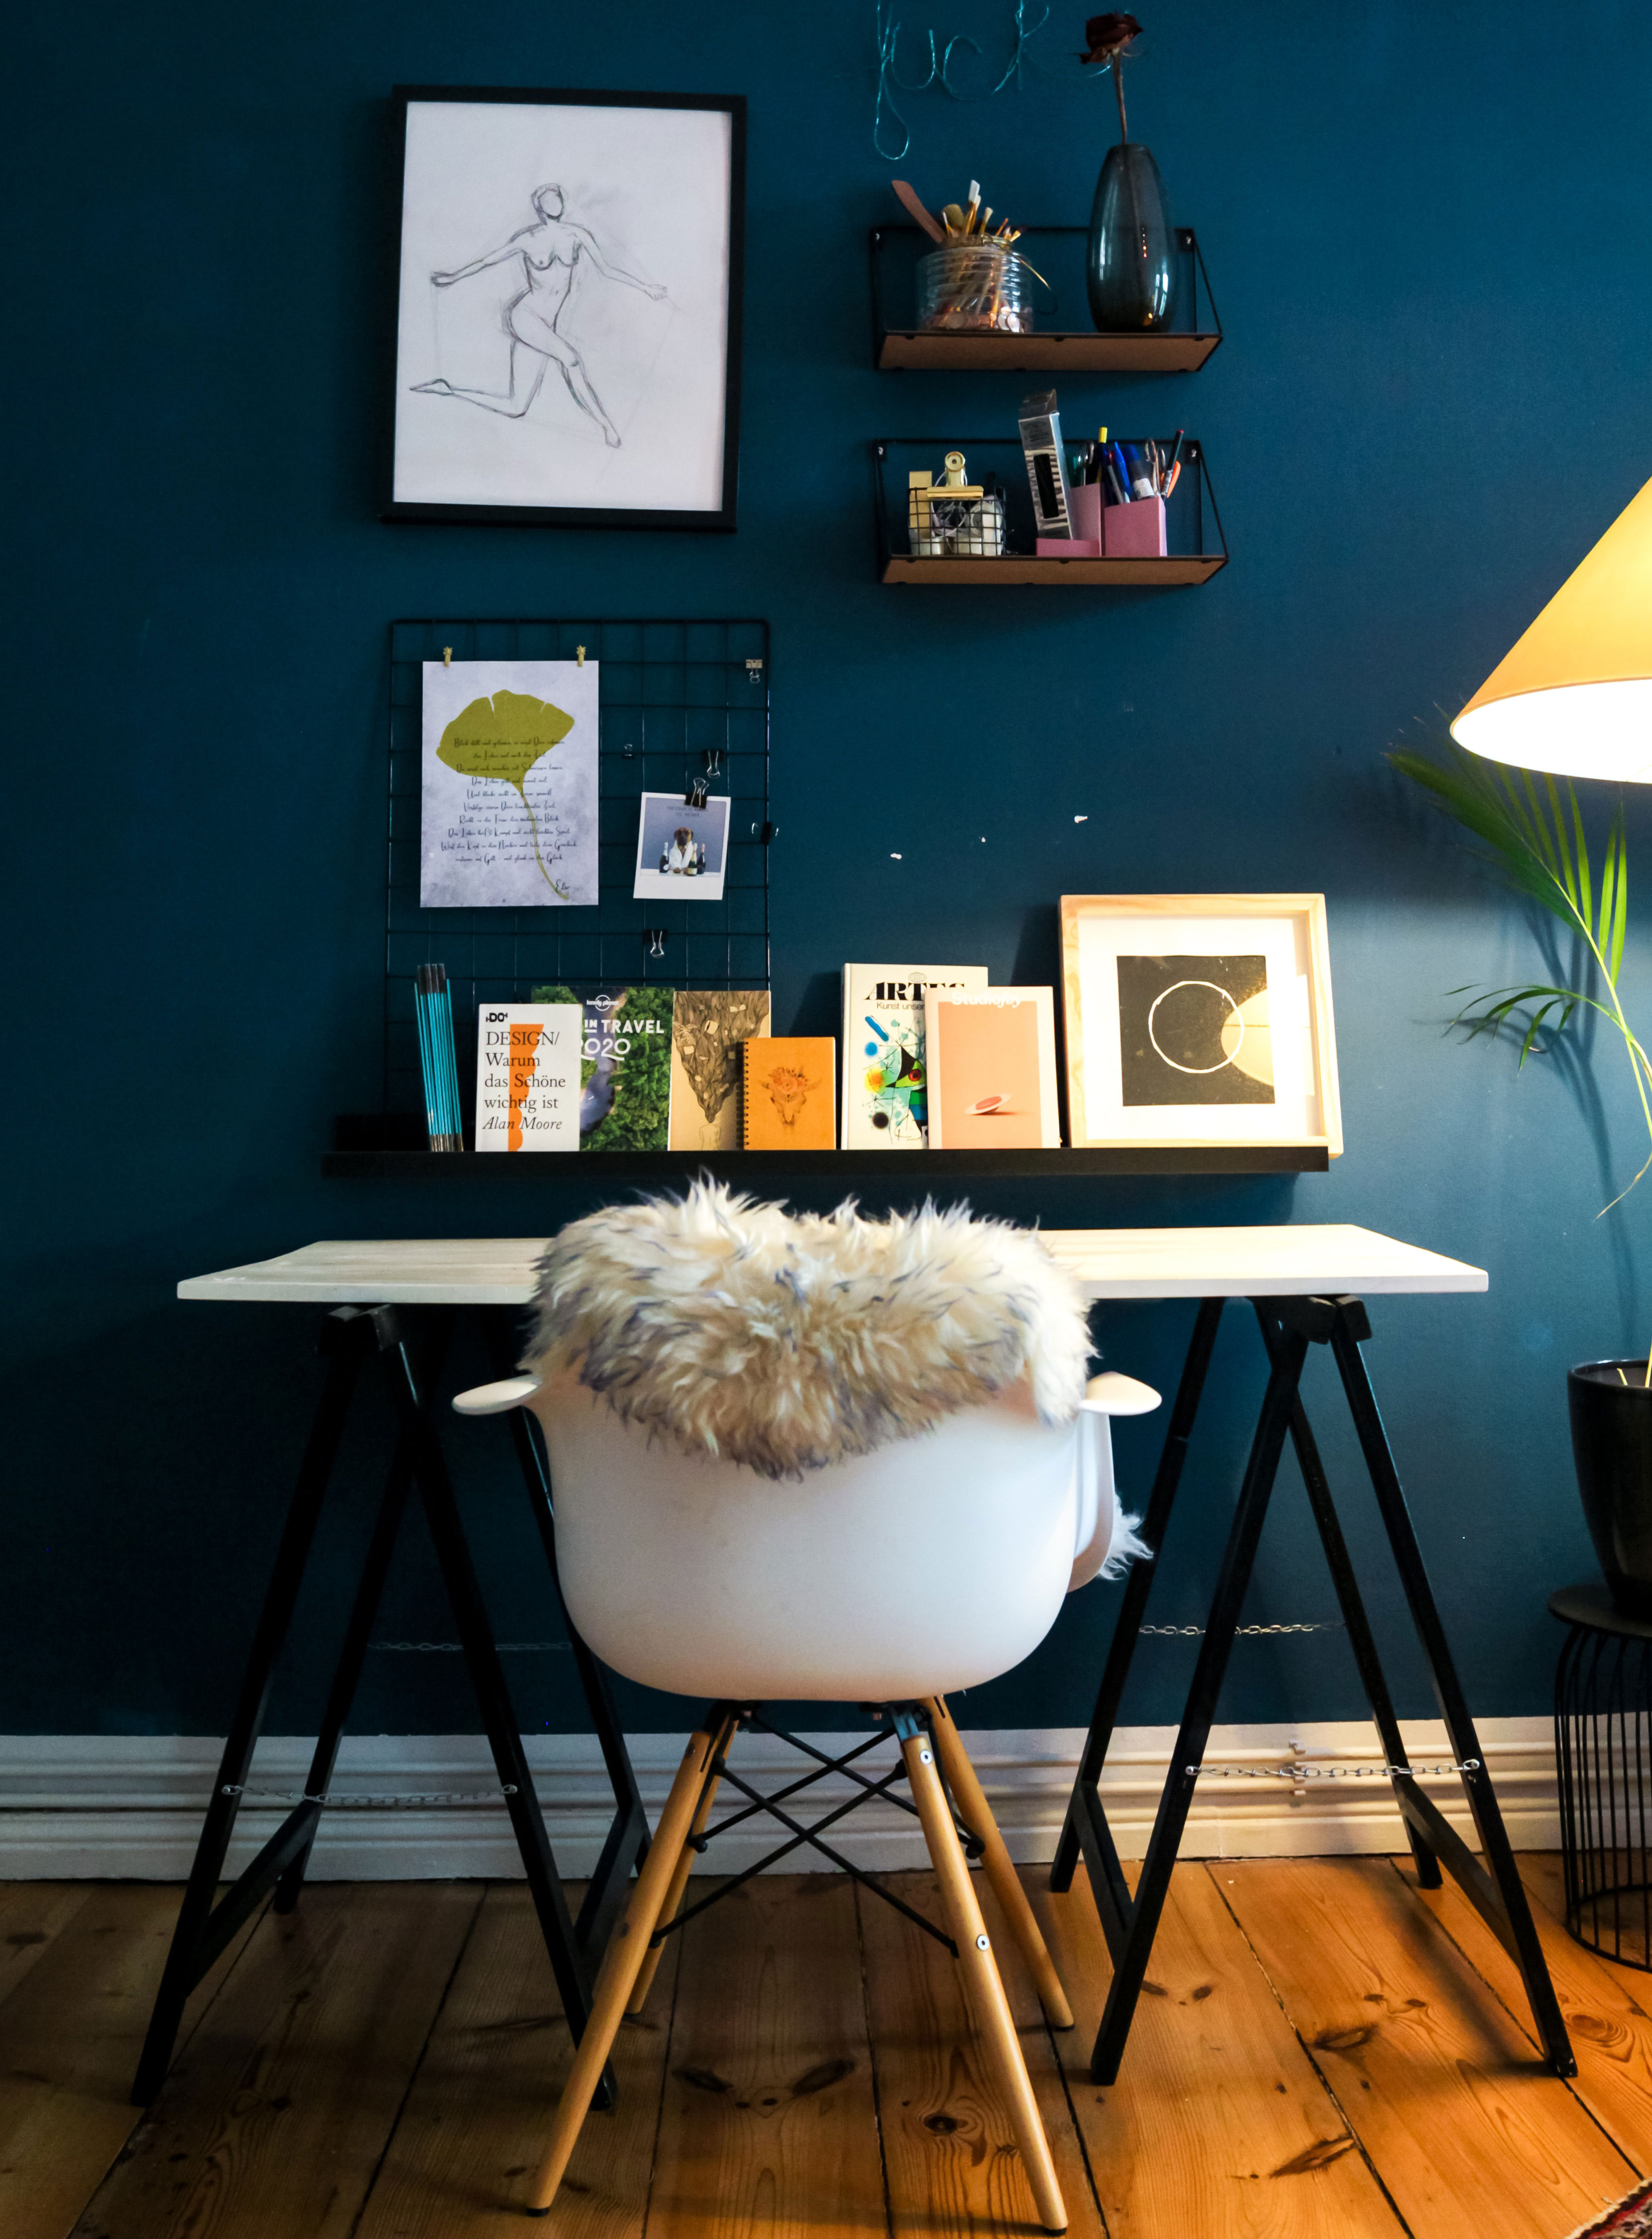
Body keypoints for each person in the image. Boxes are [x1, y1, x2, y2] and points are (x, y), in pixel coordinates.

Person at [413, 183, 665, 446]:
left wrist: (646, 287)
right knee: (572, 360)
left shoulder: (577, 235)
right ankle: (607, 428)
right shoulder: (527, 239)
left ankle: (447, 389)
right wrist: (453, 277)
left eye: (557, 199)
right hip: (525, 317)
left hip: (547, 325)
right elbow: (488, 261)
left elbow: (608, 269)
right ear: (539, 207)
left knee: (516, 407)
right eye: (547, 200)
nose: (554, 204)